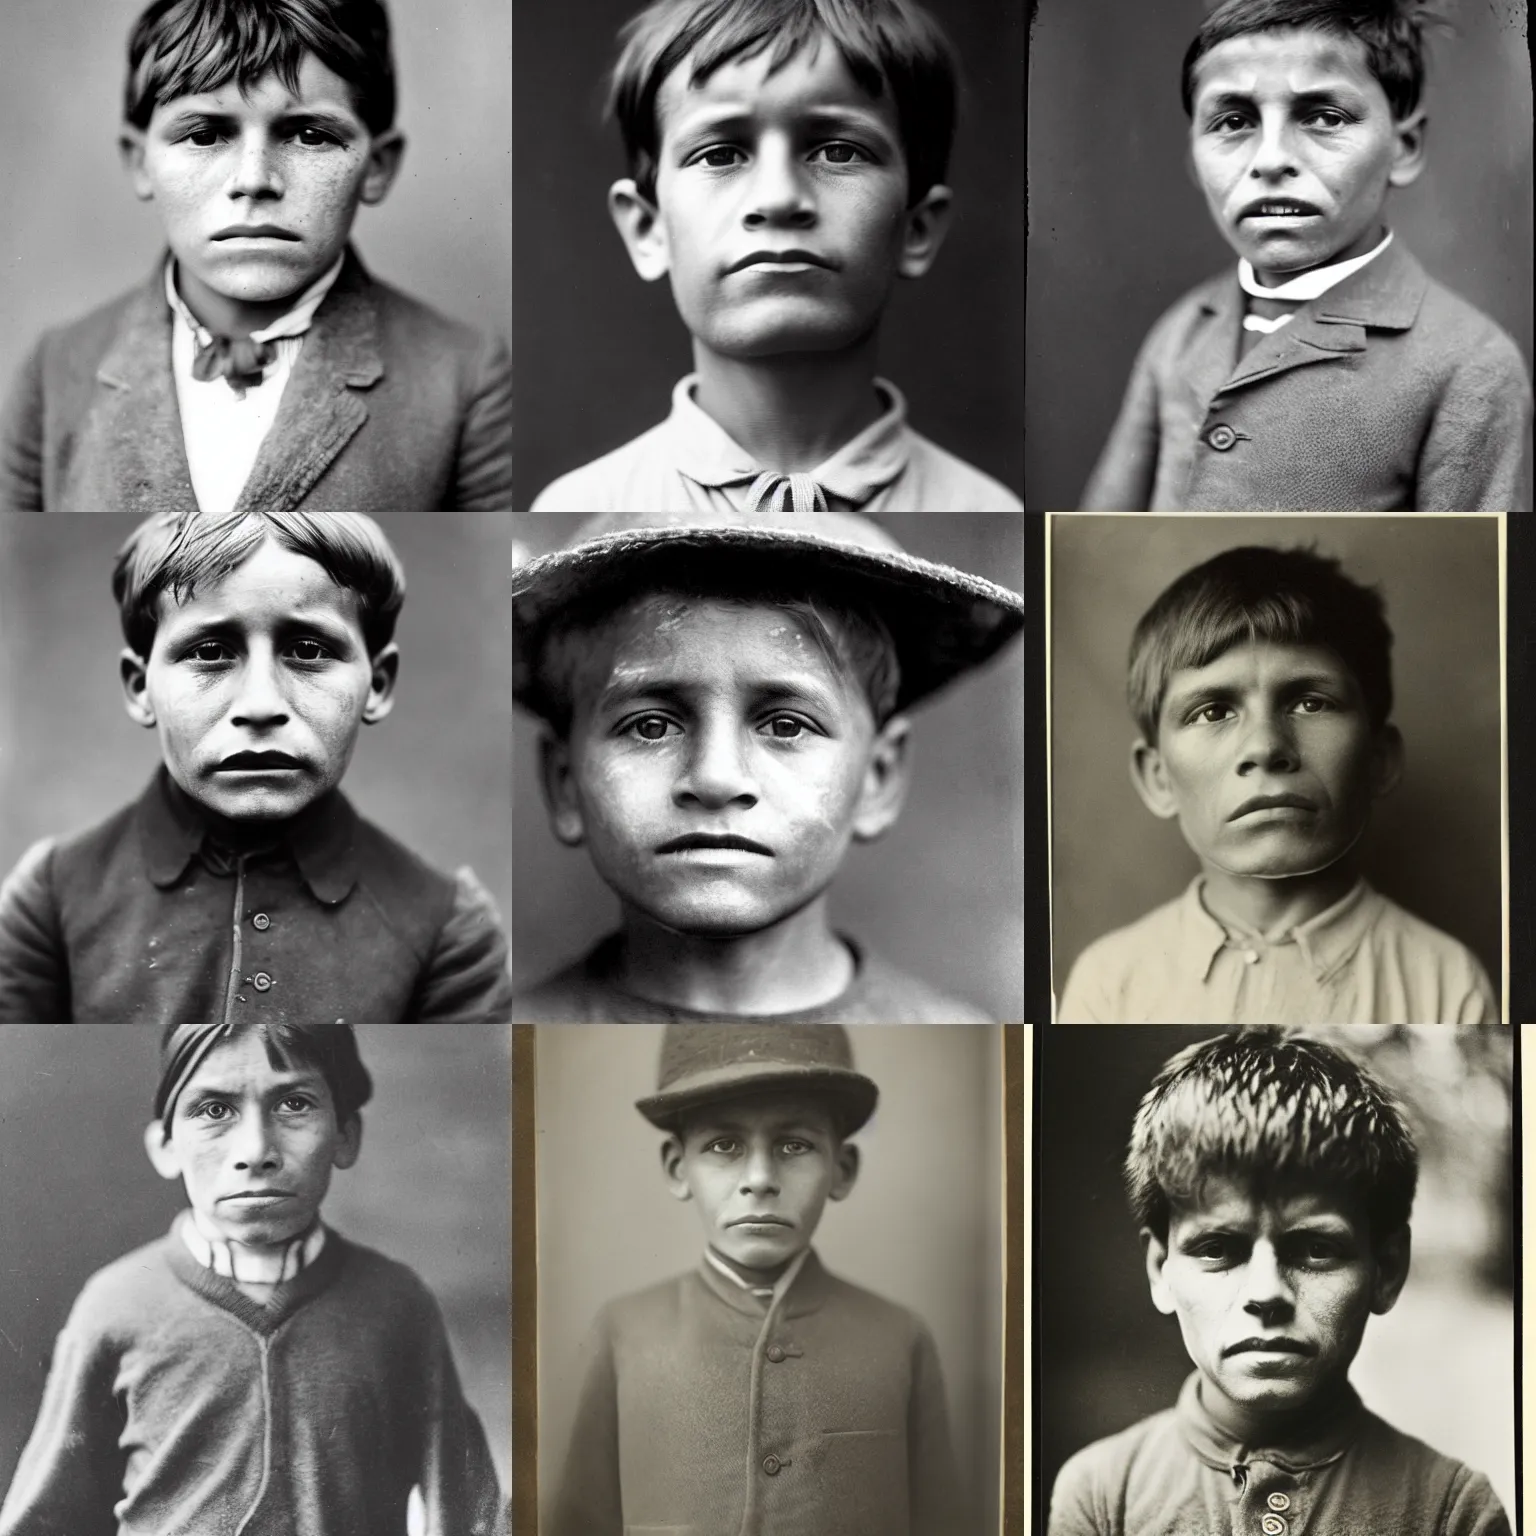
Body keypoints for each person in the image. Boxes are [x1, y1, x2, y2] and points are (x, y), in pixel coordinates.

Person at [511, 508, 1024, 1022]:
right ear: (565, 785)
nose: (715, 779)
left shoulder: (968, 1048)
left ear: (877, 778)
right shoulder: (505, 1046)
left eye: (786, 726)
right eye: (650, 726)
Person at [0, 509, 512, 1022]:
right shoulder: (50, 898)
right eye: (209, 652)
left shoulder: (448, 926)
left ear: (377, 685)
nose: (261, 704)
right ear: (140, 687)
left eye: (309, 650)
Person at [0, 0, 511, 512]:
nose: (253, 180)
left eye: (311, 135)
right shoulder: (56, 371)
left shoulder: (463, 377)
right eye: (204, 135)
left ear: (377, 166)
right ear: (140, 161)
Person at [0, 1020, 504, 1534]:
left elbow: (468, 1509)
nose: (256, 1150)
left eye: (293, 1104)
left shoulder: (396, 1304)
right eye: (214, 1110)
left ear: (346, 1135)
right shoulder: (116, 1304)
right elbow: (43, 1518)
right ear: (167, 1146)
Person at [530, 0, 1022, 511]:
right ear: (648, 228)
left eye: (838, 151)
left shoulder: (990, 508)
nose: (778, 197)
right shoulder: (582, 506)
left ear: (916, 228)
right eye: (719, 155)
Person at [1048, 1027, 1511, 1536]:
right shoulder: (1102, 1494)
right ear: (1161, 1270)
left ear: (1386, 1270)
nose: (1266, 1293)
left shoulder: (1454, 1509)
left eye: (1315, 1250)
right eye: (1218, 1250)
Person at [1080, 0, 1532, 512]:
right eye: (1232, 121)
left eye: (1324, 117)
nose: (1270, 159)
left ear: (1403, 148)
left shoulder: (1471, 364)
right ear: (1193, 155)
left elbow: (1474, 581)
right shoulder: (1179, 332)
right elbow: (1096, 533)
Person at [551, 1021, 964, 1535]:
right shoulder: (624, 1332)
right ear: (678, 1168)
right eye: (724, 1146)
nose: (760, 1180)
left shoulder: (900, 1337)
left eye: (794, 1146)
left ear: (843, 1169)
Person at [1058, 544, 1495, 1024]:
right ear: (1157, 777)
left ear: (1379, 759)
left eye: (1310, 703)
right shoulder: (1109, 981)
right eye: (1213, 711)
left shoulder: (1446, 982)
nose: (1266, 746)